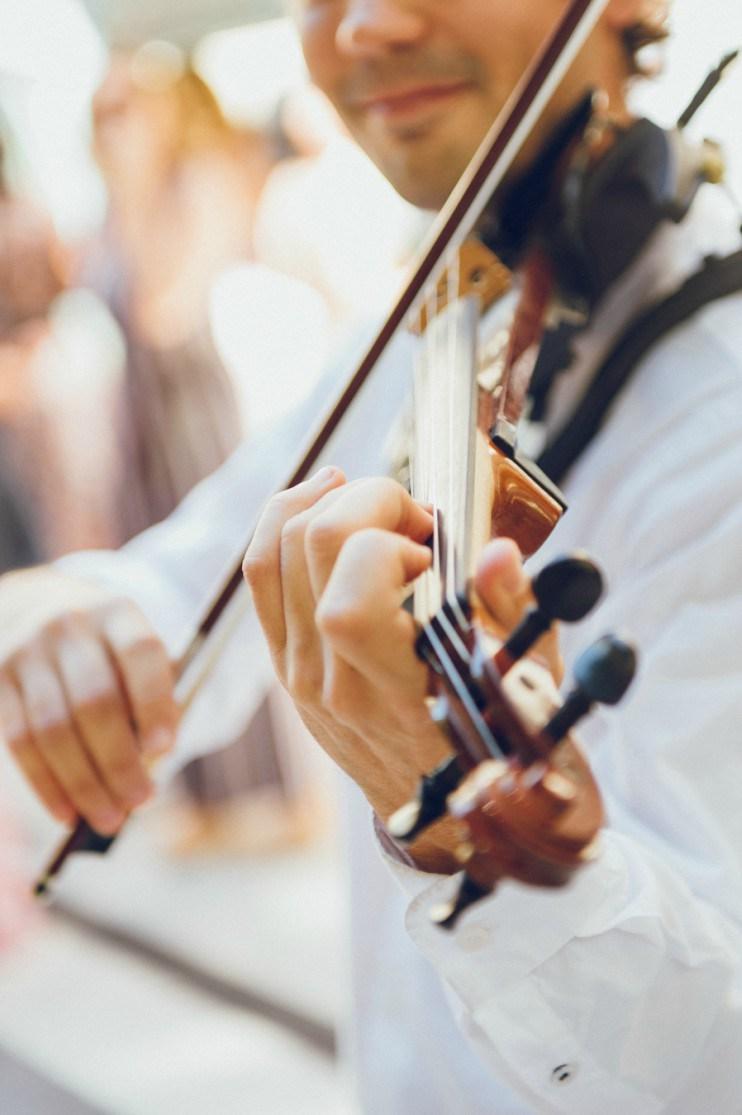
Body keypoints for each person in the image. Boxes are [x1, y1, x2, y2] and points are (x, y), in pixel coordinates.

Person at [1, 2, 742, 1112]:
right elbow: (191, 570)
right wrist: (85, 616)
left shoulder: (719, 416)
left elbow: (708, 1063)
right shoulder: (442, 315)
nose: (367, 27)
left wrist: (475, 835)